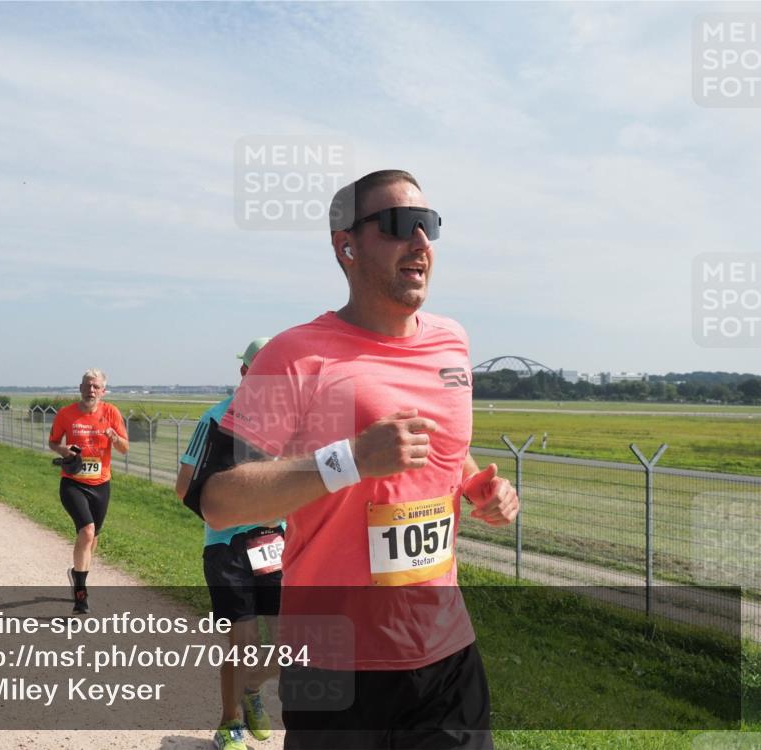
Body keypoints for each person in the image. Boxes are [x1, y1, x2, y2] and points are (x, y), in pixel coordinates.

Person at [186, 170, 520, 750]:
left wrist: (478, 489)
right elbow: (216, 498)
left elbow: (449, 450)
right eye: (398, 226)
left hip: (446, 653)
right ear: (346, 245)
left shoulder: (453, 343)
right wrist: (350, 461)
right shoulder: (292, 356)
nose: (421, 242)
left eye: (429, 226)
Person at [176, 338, 281, 750]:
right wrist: (232, 516)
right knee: (244, 642)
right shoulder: (216, 419)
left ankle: (251, 689)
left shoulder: (291, 423)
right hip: (226, 547)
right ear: (244, 373)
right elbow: (184, 488)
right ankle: (228, 722)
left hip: (275, 542)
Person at [48, 369, 129, 614]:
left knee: (92, 539)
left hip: (101, 485)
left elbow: (125, 449)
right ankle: (80, 596)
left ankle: (76, 574)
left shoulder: (111, 413)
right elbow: (52, 442)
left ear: (103, 391)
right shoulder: (66, 414)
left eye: (95, 387)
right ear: (80, 388)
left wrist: (115, 438)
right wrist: (64, 451)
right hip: (73, 483)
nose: (91, 390)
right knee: (87, 530)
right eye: (87, 386)